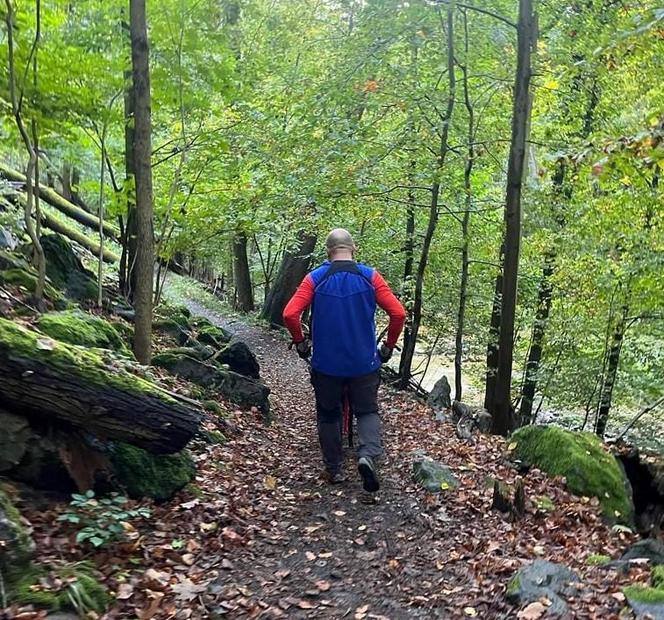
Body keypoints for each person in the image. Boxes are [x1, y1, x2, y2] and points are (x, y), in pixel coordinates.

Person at [282, 228, 406, 492]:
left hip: (326, 365)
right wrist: (388, 347)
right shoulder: (369, 276)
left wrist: (302, 343)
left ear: (328, 251)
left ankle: (335, 469)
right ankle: (367, 456)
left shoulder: (315, 278)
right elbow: (398, 314)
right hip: (364, 363)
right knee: (368, 411)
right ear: (353, 248)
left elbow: (290, 314)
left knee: (328, 415)